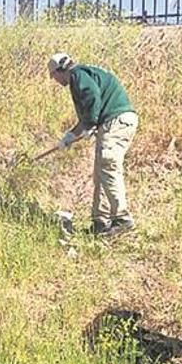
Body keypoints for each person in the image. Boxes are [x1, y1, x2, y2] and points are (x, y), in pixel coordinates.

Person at [48, 53, 139, 236]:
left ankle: (122, 219)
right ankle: (100, 221)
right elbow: (87, 115)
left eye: (54, 77)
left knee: (108, 167)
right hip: (113, 122)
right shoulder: (82, 75)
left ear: (59, 71)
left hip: (117, 122)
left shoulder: (78, 76)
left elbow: (92, 98)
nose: (55, 81)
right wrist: (70, 137)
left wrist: (90, 124)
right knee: (100, 171)